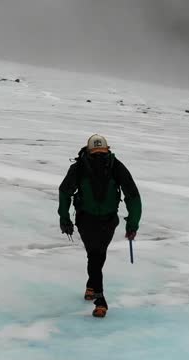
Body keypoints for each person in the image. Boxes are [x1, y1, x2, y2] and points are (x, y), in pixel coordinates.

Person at [58, 134, 142, 317]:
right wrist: (132, 224)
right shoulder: (111, 166)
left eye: (100, 154)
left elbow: (64, 192)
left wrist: (64, 217)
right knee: (96, 255)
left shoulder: (98, 167)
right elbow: (132, 196)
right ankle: (100, 299)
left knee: (96, 255)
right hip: (96, 219)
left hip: (94, 219)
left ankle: (91, 286)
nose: (98, 157)